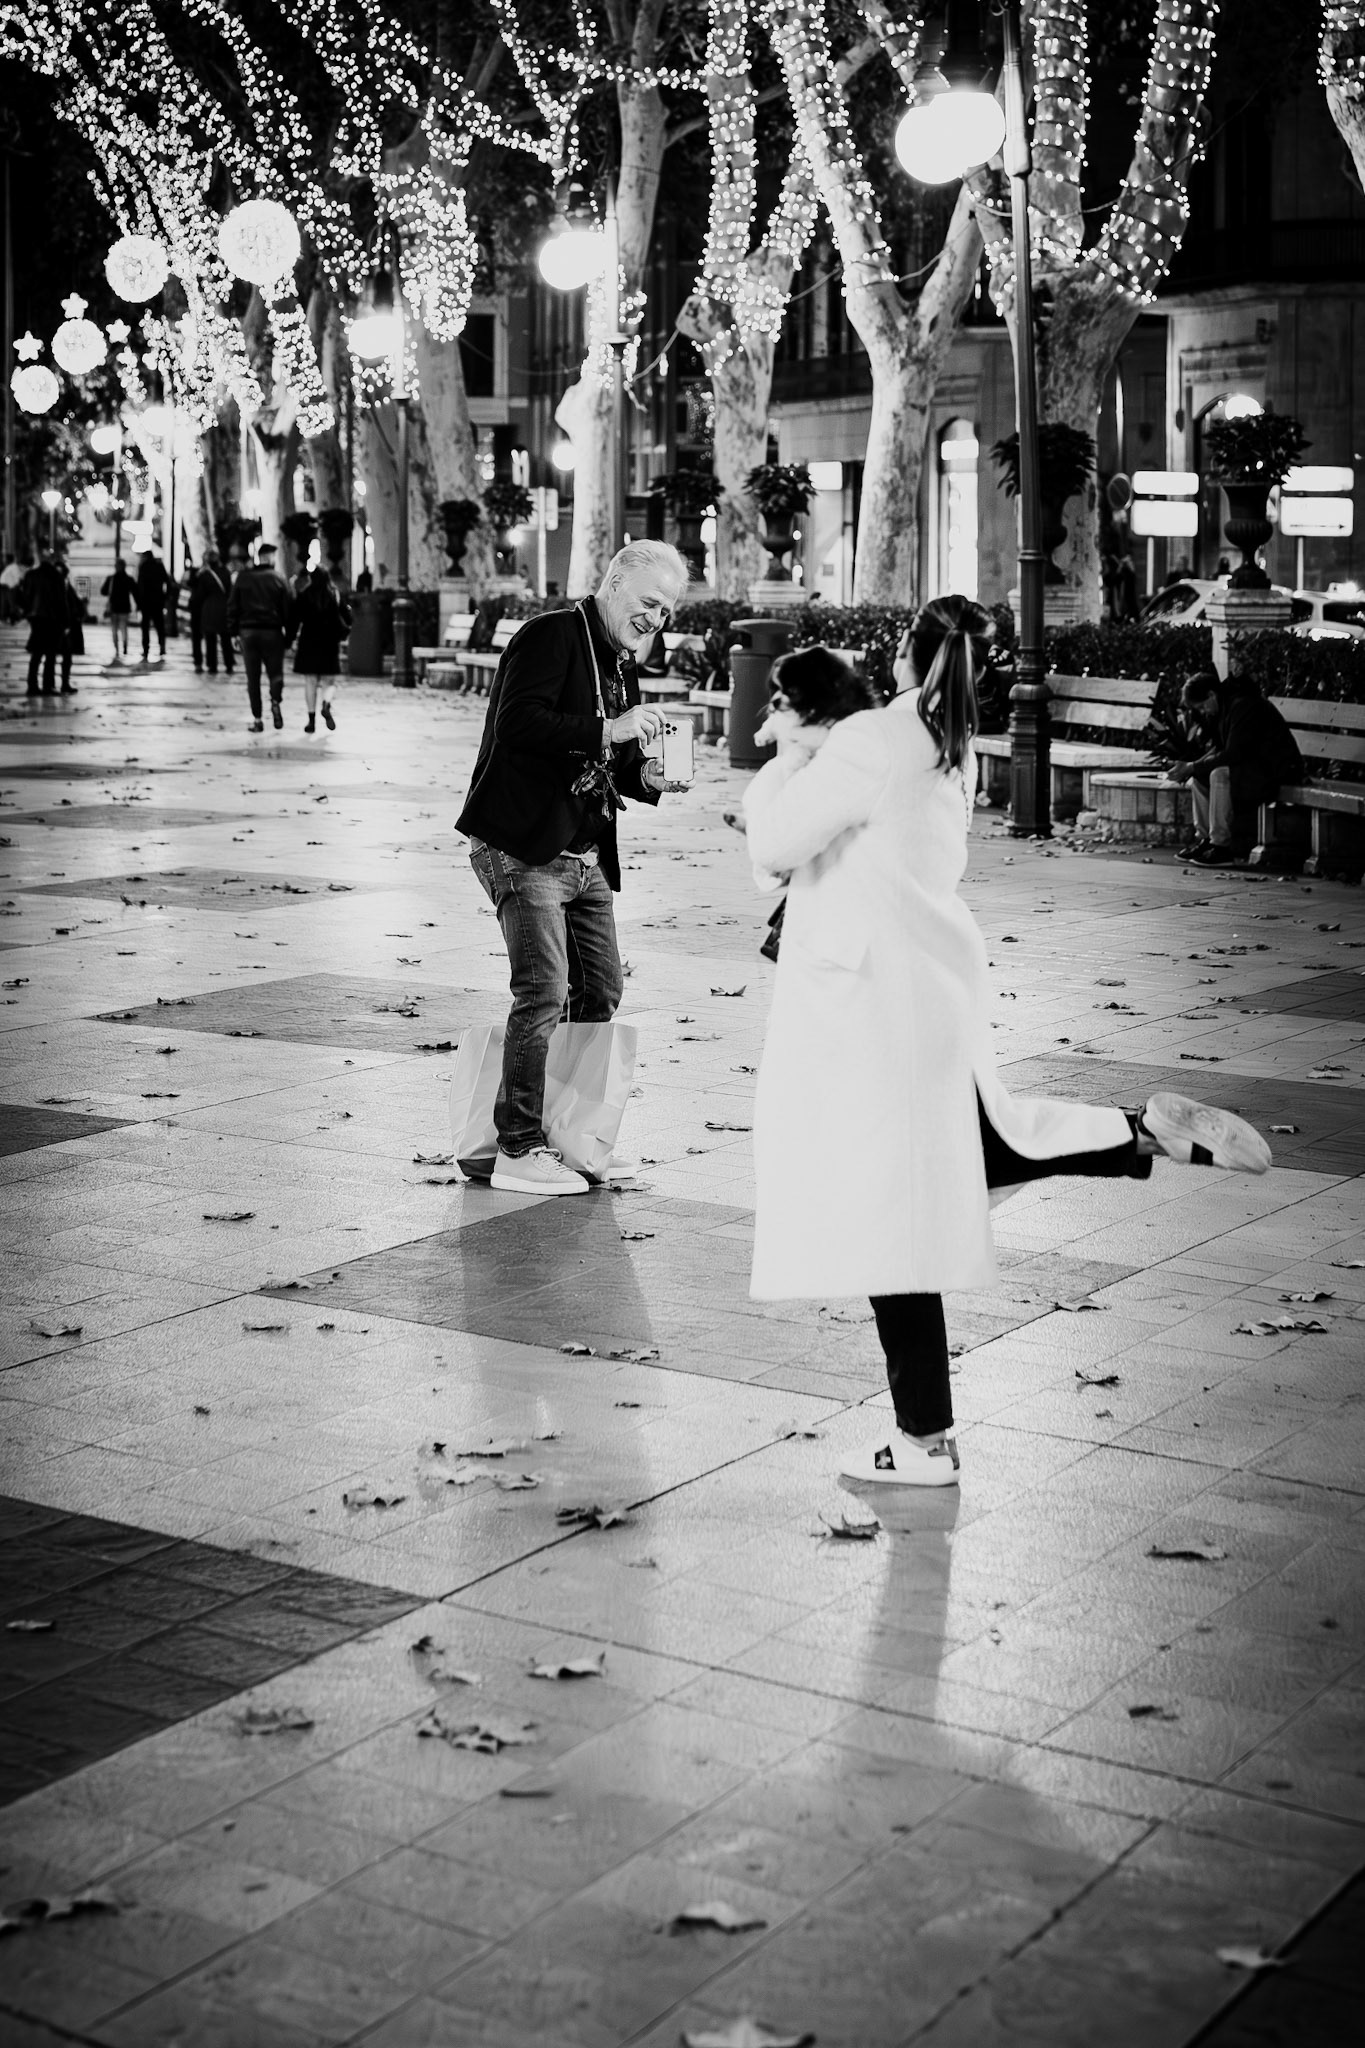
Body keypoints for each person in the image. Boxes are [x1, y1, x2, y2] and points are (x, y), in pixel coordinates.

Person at [743, 596, 1273, 1489]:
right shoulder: (945, 746)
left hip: (870, 1013)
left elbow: (772, 843)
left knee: (896, 1219)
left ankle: (924, 1444)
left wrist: (786, 756)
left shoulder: (872, 738)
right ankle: (1138, 1132)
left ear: (906, 654)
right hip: (922, 998)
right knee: (966, 1162)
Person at [456, 539, 689, 1196]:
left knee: (600, 991)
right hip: (522, 844)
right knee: (543, 992)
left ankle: (569, 1133)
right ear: (613, 583)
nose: (655, 619)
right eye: (649, 602)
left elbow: (611, 761)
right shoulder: (551, 635)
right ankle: (517, 1146)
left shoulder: (618, 660)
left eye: (666, 611)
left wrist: (651, 776)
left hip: (584, 853)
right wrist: (609, 729)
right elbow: (518, 724)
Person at [1167, 668, 1304, 867]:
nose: (1204, 712)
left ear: (1212, 694)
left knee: (1219, 775)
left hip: (1276, 770)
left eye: (1203, 706)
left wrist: (1193, 766)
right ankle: (1206, 840)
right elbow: (1219, 747)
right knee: (1200, 777)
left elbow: (1233, 753)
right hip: (1253, 767)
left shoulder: (1243, 706)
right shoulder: (1224, 706)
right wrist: (1192, 768)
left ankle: (1221, 846)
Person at [226, 539, 293, 731]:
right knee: (275, 673)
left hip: (248, 633)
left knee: (252, 677)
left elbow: (232, 606)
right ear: (270, 558)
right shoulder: (279, 579)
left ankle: (257, 719)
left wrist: (233, 633)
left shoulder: (243, 578)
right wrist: (289, 637)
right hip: (272, 632)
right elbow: (289, 609)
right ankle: (275, 701)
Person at [292, 564, 350, 732]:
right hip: (329, 642)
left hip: (308, 642)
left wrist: (289, 639)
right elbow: (347, 617)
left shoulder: (304, 595)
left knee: (310, 682)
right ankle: (326, 703)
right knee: (329, 681)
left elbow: (295, 618)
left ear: (311, 578)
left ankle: (311, 721)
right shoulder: (334, 595)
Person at [21, 544, 66, 696]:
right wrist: (65, 621)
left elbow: (26, 597)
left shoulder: (31, 575)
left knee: (36, 653)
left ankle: (32, 685)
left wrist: (28, 613)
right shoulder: (57, 576)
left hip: (36, 618)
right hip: (52, 619)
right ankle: (48, 685)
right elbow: (61, 601)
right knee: (50, 654)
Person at [193, 552, 233, 675]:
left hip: (209, 607)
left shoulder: (205, 575)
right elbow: (230, 590)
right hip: (224, 607)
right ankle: (229, 664)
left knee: (210, 638)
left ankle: (212, 665)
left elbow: (199, 594)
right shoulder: (226, 572)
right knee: (225, 637)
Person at [135, 549, 169, 663]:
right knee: (160, 626)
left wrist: (139, 603)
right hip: (158, 601)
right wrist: (165, 597)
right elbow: (167, 582)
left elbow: (140, 585)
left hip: (146, 602)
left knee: (145, 628)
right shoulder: (159, 566)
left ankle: (146, 649)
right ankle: (162, 646)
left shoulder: (143, 567)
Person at [101, 556, 137, 663]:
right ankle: (124, 647)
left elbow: (103, 591)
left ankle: (117, 650)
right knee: (123, 628)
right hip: (124, 608)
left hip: (114, 608)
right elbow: (135, 591)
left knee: (114, 630)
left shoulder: (111, 579)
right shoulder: (128, 579)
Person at [57, 559, 84, 694]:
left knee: (64, 656)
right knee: (63, 655)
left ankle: (62, 684)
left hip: (64, 624)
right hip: (62, 624)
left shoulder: (64, 585)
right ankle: (61, 684)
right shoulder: (62, 586)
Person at [0, 551, 24, 623]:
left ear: (9, 559)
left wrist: (15, 586)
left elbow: (17, 577)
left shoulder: (14, 566)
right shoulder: (8, 567)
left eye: (5, 559)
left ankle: (14, 618)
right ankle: (4, 618)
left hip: (10, 587)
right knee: (4, 603)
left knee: (11, 604)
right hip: (4, 587)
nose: (4, 560)